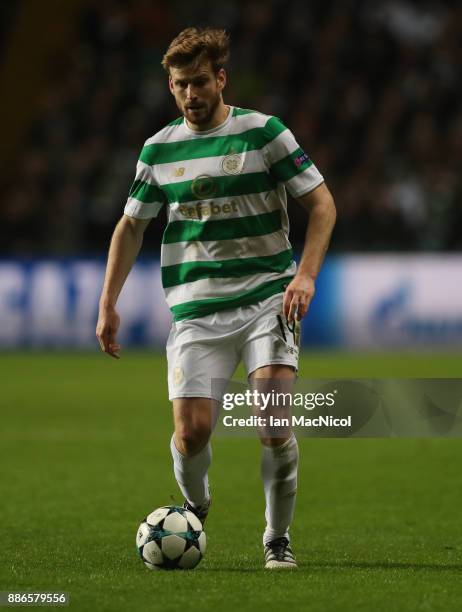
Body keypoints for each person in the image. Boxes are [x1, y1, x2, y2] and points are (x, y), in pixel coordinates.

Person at [96, 26, 336, 569]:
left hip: (268, 299)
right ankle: (196, 505)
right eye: (180, 86)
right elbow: (130, 227)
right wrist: (108, 301)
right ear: (171, 87)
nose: (190, 95)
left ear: (220, 78)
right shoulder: (158, 150)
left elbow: (322, 205)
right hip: (196, 309)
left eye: (200, 82)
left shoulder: (263, 134)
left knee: (273, 422)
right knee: (192, 430)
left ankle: (277, 538)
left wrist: (306, 277)